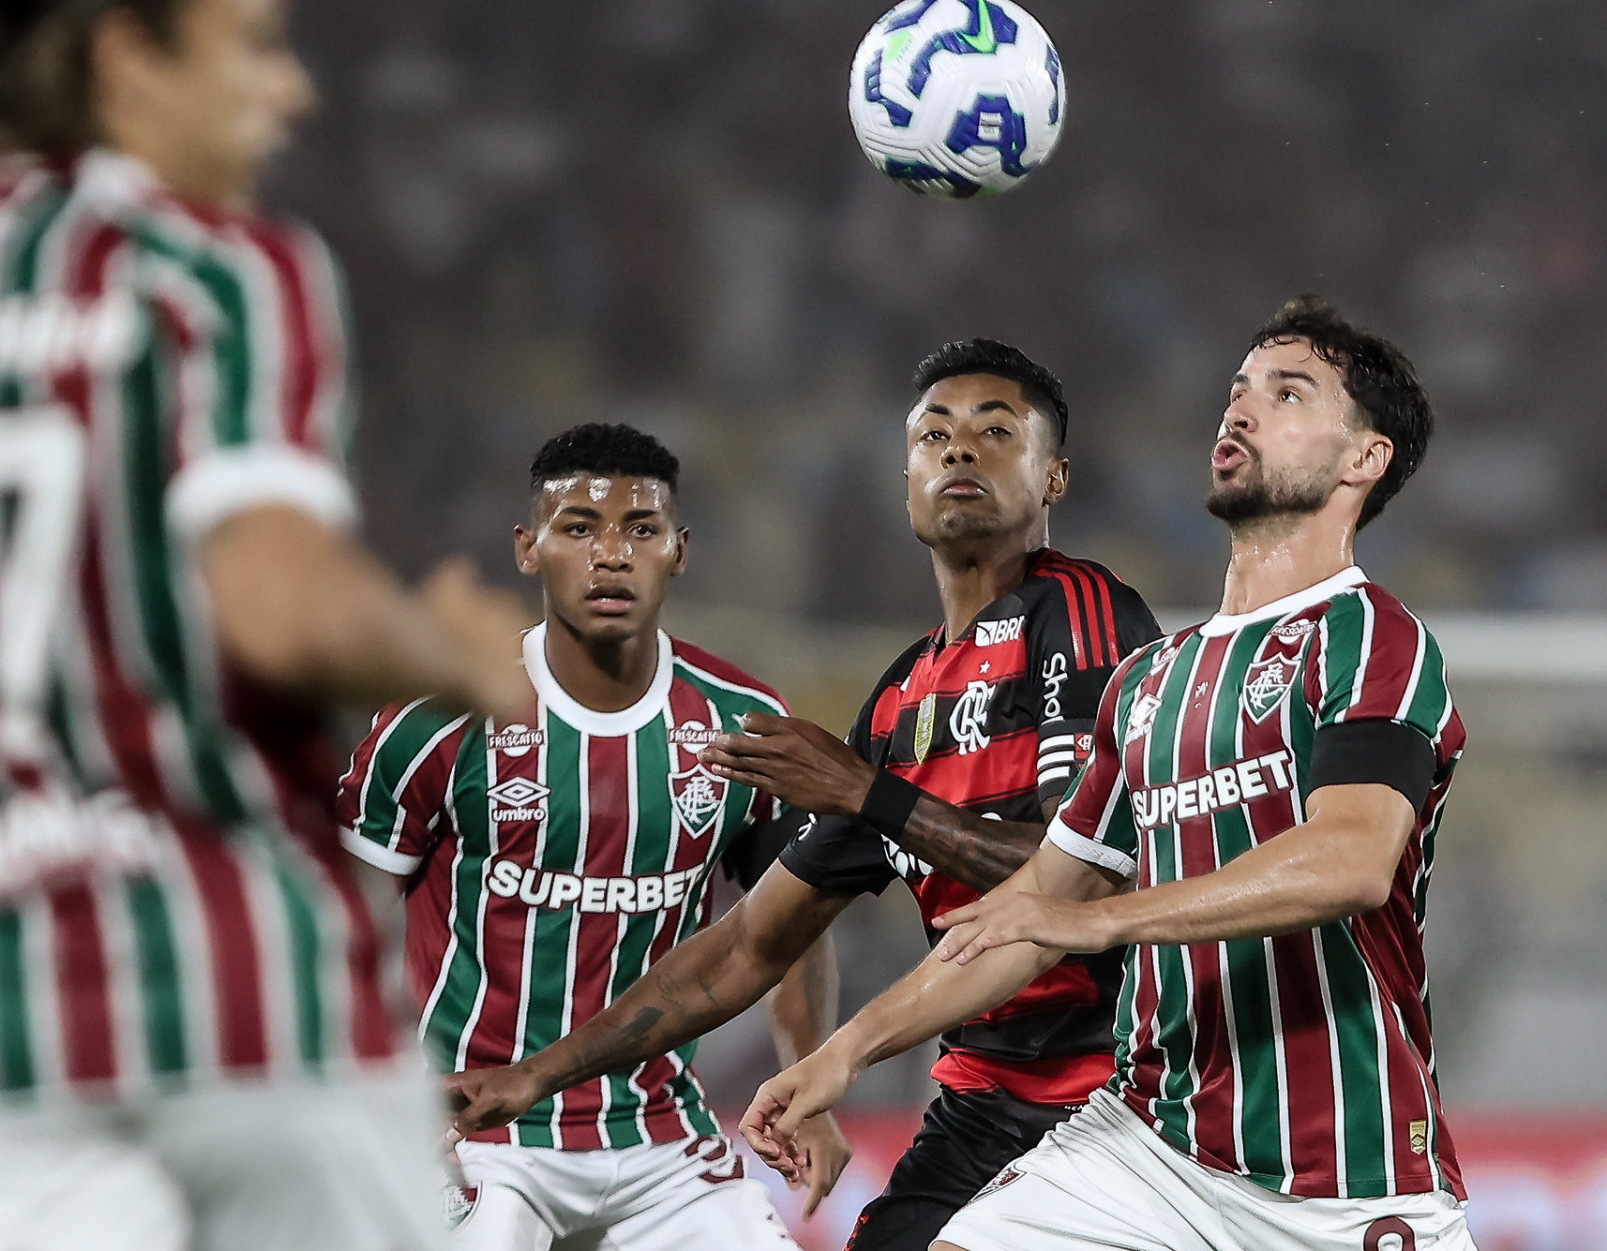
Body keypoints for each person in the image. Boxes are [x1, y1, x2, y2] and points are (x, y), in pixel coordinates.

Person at [0, 0, 532, 1247]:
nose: (289, 88)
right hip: (255, 1012)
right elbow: (283, 609)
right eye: (253, 43)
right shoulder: (216, 273)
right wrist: (456, 655)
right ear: (129, 60)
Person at [742, 296, 1479, 1251]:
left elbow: (1349, 863)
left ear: (1362, 459)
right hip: (1146, 1150)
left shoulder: (1369, 635)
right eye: (1238, 389)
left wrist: (1089, 919)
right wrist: (842, 1055)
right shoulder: (1148, 684)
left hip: (1346, 1178)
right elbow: (1029, 916)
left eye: (1285, 393)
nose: (1240, 411)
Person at [448, 342, 1163, 1251]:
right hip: (983, 1099)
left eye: (995, 432)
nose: (959, 452)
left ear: (1054, 476)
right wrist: (536, 1076)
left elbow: (1085, 880)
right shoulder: (901, 699)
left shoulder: (1084, 615)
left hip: (1121, 1094)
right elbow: (747, 945)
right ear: (903, 474)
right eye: (934, 435)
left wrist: (871, 796)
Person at [338, 423, 844, 1250]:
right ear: (528, 549)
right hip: (479, 1136)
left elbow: (788, 920)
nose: (611, 555)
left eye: (639, 530)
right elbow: (338, 915)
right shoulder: (441, 715)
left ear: (679, 551)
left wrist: (808, 1088)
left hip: (663, 1139)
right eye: (579, 527)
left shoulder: (742, 722)